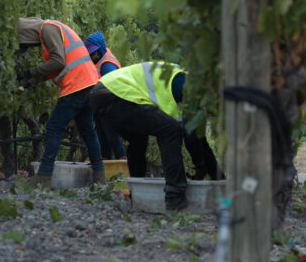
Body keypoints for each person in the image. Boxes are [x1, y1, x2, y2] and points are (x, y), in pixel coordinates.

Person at [15, 17, 105, 187]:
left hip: (76, 84)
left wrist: (29, 72)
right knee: (87, 131)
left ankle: (44, 176)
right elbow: (59, 65)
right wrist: (30, 81)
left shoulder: (47, 29)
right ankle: (100, 177)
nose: (31, 46)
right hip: (90, 83)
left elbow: (58, 61)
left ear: (28, 33)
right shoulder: (56, 27)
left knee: (53, 127)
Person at [89, 61, 190, 210]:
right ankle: (175, 198)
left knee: (138, 138)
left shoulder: (177, 74)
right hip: (116, 92)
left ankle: (136, 194)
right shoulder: (185, 83)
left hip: (99, 94)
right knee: (170, 129)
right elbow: (193, 136)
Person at [82, 31, 126, 160]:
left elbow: (110, 88)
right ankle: (106, 164)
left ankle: (122, 163)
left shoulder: (107, 64)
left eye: (94, 51)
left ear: (100, 48)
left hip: (111, 105)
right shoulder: (99, 61)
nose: (92, 54)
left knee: (111, 133)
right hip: (102, 106)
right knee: (102, 134)